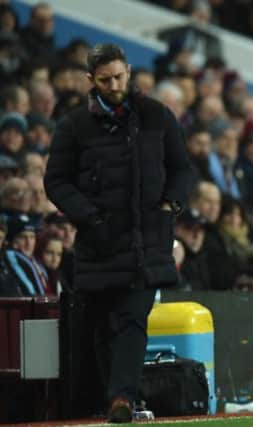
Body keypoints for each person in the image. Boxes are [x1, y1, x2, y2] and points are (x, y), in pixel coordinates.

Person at [43, 43, 194, 423]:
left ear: (129, 71)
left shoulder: (157, 116)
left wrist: (169, 205)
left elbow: (182, 170)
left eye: (119, 77)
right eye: (106, 79)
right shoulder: (74, 126)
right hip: (99, 243)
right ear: (91, 80)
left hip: (149, 243)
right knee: (102, 325)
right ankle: (111, 399)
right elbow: (55, 182)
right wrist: (89, 217)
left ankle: (122, 399)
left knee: (131, 318)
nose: (114, 85)